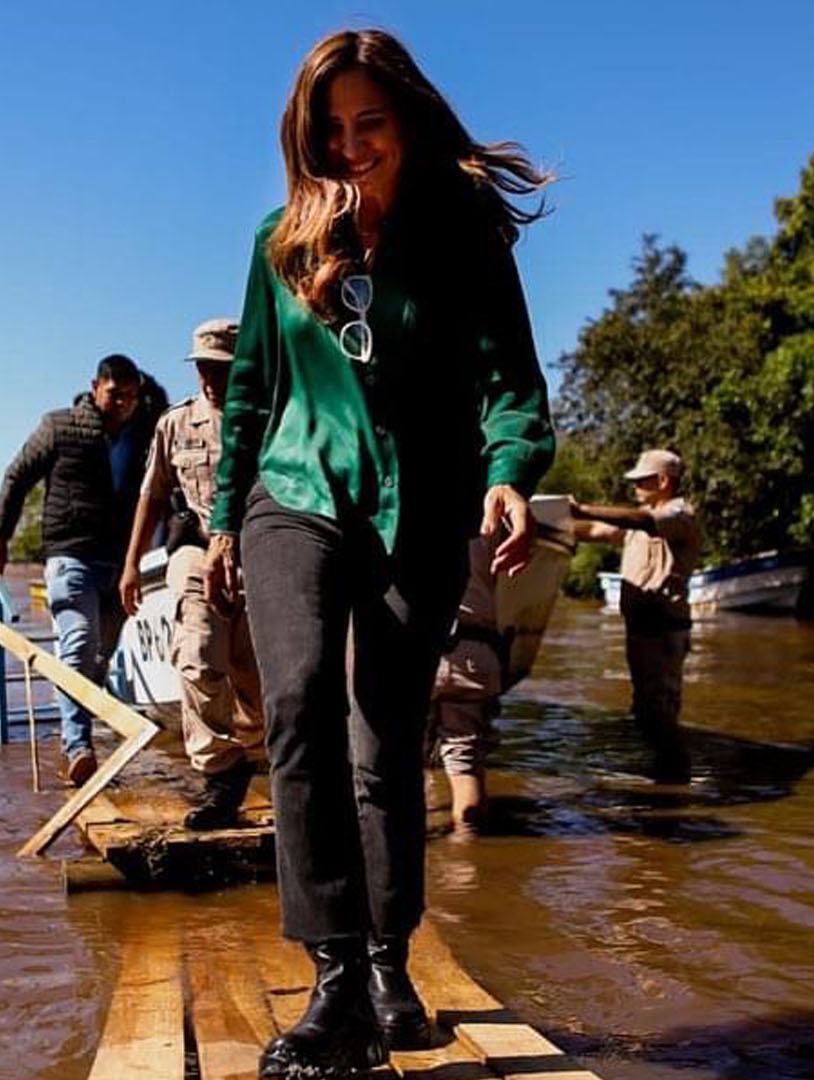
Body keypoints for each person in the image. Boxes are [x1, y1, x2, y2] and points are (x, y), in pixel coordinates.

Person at [203, 28, 555, 1078]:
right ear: (307, 139)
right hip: (294, 499)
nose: (352, 148)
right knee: (300, 703)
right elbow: (252, 394)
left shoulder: (465, 246)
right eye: (332, 129)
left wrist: (509, 471)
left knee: (385, 740)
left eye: (371, 124)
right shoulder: (283, 241)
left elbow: (514, 387)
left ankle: (393, 961)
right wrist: (225, 517)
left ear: (405, 122)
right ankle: (334, 978)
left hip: (420, 507)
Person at [119, 318, 265, 831]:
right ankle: (221, 776)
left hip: (261, 558)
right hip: (197, 552)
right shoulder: (174, 423)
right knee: (199, 654)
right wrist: (132, 564)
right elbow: (152, 495)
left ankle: (261, 756)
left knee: (258, 675)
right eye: (202, 368)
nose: (209, 379)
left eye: (220, 369)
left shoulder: (273, 417)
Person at [0, 354, 142, 785]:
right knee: (76, 644)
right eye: (115, 395)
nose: (122, 404)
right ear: (96, 387)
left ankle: (80, 730)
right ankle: (78, 746)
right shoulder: (60, 426)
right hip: (71, 556)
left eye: (130, 397)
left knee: (100, 656)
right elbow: (17, 476)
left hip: (121, 562)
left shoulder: (143, 435)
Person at [568, 448, 702, 783]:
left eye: (641, 481)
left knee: (658, 714)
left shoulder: (679, 514)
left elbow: (640, 521)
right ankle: (668, 783)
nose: (635, 487)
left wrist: (581, 507)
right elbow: (595, 531)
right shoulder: (641, 518)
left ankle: (676, 782)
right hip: (642, 629)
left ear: (662, 480)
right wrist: (550, 521)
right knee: (646, 713)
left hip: (663, 629)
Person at [425, 537, 504, 835]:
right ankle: (467, 855)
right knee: (465, 759)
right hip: (476, 649)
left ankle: (417, 858)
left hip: (419, 647)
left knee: (404, 760)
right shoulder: (487, 515)